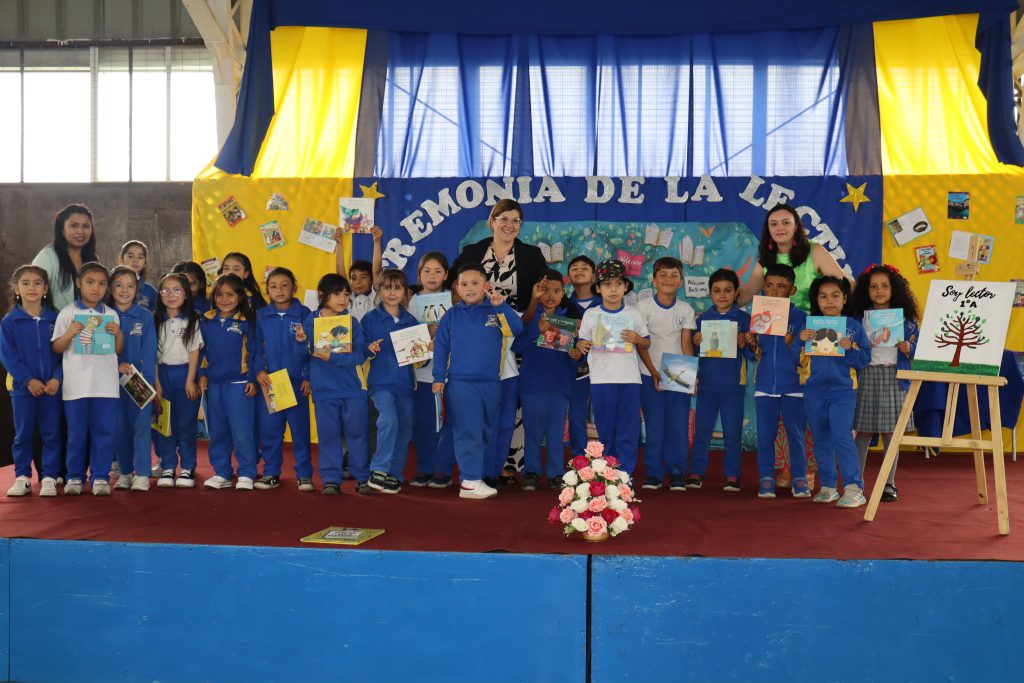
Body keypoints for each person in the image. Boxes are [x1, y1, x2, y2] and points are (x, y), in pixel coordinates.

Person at [432, 263, 523, 499]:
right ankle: (470, 481)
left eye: (475, 283)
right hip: (461, 384)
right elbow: (441, 347)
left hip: (491, 383)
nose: (470, 288)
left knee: (484, 431)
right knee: (468, 430)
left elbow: (516, 329)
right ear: (457, 288)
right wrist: (438, 377)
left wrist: (501, 306)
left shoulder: (496, 310)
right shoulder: (451, 315)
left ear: (486, 286)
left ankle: (475, 476)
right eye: (464, 284)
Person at [51, 262, 123, 496]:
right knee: (76, 434)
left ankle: (100, 477)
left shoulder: (111, 314)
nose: (96, 288)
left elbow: (118, 350)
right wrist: (70, 333)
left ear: (107, 287)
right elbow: (56, 348)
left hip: (106, 386)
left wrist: (118, 334)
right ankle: (74, 476)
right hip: (76, 387)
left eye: (101, 284)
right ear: (79, 283)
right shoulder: (68, 313)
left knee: (104, 433)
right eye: (90, 282)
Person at [850, 264, 920, 503]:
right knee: (863, 431)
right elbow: (849, 348)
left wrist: (909, 348)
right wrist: (860, 345)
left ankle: (889, 483)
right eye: (873, 286)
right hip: (867, 376)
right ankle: (856, 482)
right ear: (865, 290)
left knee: (892, 433)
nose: (879, 291)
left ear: (894, 289)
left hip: (894, 377)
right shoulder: (859, 320)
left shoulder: (906, 322)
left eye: (884, 286)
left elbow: (919, 349)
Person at [799, 276, 871, 508]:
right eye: (823, 297)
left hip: (843, 391)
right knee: (820, 439)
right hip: (814, 391)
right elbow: (795, 361)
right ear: (817, 301)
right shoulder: (809, 327)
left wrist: (849, 349)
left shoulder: (853, 327)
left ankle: (854, 488)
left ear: (845, 299)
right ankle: (828, 487)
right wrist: (799, 342)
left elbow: (864, 359)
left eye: (835, 296)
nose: (829, 301)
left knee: (842, 436)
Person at [575, 259, 650, 475]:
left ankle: (624, 476)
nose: (613, 289)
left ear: (626, 287)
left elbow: (646, 342)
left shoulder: (633, 313)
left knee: (628, 430)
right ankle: (609, 474)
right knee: (606, 430)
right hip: (601, 380)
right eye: (607, 284)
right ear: (598, 288)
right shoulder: (591, 314)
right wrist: (582, 345)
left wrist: (637, 338)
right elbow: (581, 342)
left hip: (629, 380)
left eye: (618, 283)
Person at [299, 274, 369, 495]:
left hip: (352, 389)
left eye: (346, 294)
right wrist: (301, 343)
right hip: (324, 390)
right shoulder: (309, 321)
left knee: (357, 434)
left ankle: (362, 477)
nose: (343, 298)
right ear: (322, 295)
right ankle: (331, 478)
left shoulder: (352, 322)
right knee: (328, 435)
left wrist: (332, 358)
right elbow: (303, 356)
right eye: (337, 293)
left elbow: (359, 356)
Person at [743, 263, 809, 499]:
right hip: (765, 385)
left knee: (796, 435)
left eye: (781, 286)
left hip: (793, 386)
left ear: (792, 290)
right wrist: (752, 344)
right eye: (769, 285)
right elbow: (754, 354)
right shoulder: (758, 314)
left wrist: (795, 343)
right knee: (765, 436)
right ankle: (766, 479)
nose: (773, 291)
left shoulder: (801, 318)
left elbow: (807, 356)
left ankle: (799, 478)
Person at [514, 269, 583, 491]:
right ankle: (531, 471)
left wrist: (576, 355)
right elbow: (517, 347)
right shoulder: (529, 318)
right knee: (532, 433)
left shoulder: (569, 322)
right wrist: (536, 329)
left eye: (557, 291)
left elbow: (576, 355)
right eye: (546, 290)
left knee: (555, 433)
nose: (551, 295)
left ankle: (556, 473)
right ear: (537, 291)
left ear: (563, 294)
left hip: (560, 386)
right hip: (532, 386)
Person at [0, 265, 63, 497]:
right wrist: (28, 380)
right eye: (25, 283)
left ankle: (49, 477)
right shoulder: (10, 322)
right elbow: (8, 356)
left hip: (51, 389)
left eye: (37, 283)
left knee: (51, 433)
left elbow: (64, 353)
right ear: (16, 289)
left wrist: (57, 378)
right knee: (23, 434)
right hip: (22, 389)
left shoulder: (56, 318)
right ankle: (22, 477)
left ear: (45, 289)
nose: (31, 288)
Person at [636, 256, 696, 491]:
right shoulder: (643, 307)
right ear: (654, 280)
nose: (668, 279)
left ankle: (677, 471)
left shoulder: (686, 309)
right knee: (654, 424)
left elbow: (686, 344)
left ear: (681, 281)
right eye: (663, 275)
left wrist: (692, 375)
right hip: (648, 372)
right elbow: (641, 344)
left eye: (674, 275)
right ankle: (654, 472)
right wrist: (653, 372)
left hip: (678, 372)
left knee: (678, 425)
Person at [689, 269, 750, 491]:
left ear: (736, 292)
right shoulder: (703, 319)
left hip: (733, 386)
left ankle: (732, 475)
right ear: (710, 293)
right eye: (717, 291)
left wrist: (744, 344)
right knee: (702, 431)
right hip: (707, 385)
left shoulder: (744, 319)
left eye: (727, 290)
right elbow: (694, 353)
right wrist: (696, 342)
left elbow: (754, 353)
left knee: (732, 432)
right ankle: (695, 472)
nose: (722, 295)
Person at [197, 274, 259, 491]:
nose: (224, 299)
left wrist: (252, 379)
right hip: (214, 385)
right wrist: (202, 374)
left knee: (242, 431)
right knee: (217, 431)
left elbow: (254, 353)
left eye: (230, 294)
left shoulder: (246, 322)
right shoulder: (206, 320)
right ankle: (222, 472)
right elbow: (201, 350)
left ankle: (247, 472)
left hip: (239, 385)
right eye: (220, 294)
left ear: (240, 297)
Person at [253, 267, 312, 490]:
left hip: (296, 382)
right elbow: (256, 347)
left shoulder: (304, 314)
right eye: (273, 286)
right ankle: (271, 472)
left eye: (284, 285)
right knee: (271, 431)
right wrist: (259, 371)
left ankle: (304, 474)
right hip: (272, 382)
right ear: (267, 290)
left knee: (300, 431)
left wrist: (308, 376)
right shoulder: (262, 316)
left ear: (294, 288)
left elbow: (312, 347)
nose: (279, 290)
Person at [362, 269, 419, 494]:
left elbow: (419, 362)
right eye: (387, 288)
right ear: (379, 291)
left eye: (397, 288)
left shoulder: (411, 321)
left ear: (405, 292)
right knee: (388, 421)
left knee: (404, 430)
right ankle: (379, 469)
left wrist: (425, 350)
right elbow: (360, 351)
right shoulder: (370, 319)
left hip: (405, 384)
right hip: (380, 383)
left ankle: (394, 475)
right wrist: (369, 348)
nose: (392, 293)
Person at [106, 266, 157, 491]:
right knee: (120, 428)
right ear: (110, 288)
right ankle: (125, 472)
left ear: (137, 289)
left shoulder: (145, 316)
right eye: (119, 285)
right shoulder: (105, 315)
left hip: (139, 383)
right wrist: (117, 364)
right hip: (111, 383)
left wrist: (147, 383)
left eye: (130, 286)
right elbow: (101, 350)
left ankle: (142, 474)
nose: (124, 290)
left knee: (141, 428)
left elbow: (150, 351)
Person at [448, 199, 547, 314]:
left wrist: (566, 316)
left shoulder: (533, 254)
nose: (509, 225)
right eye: (504, 219)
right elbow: (449, 281)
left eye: (515, 221)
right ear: (492, 222)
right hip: (476, 317)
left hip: (518, 320)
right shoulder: (471, 252)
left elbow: (548, 285)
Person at [153, 273, 204, 488]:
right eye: (165, 290)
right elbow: (152, 355)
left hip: (185, 374)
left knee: (185, 423)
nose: (170, 294)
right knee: (164, 423)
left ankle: (187, 466)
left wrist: (191, 380)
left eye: (176, 290)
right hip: (162, 374)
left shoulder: (192, 319)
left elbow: (194, 351)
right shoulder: (154, 319)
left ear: (186, 294)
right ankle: (168, 464)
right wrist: (156, 383)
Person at [407, 252, 454, 488]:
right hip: (423, 374)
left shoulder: (454, 300)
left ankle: (443, 470)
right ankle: (425, 468)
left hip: (450, 373)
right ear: (419, 275)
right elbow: (407, 338)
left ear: (446, 274)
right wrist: (426, 334)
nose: (432, 276)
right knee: (424, 423)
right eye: (427, 271)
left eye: (437, 271)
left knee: (448, 422)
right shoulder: (412, 302)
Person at [32, 204, 98, 312]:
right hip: (52, 320)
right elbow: (32, 293)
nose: (80, 231)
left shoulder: (92, 259)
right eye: (74, 226)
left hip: (87, 321)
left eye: (86, 226)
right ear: (62, 229)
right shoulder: (47, 257)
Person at [567, 255, 598, 456]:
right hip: (576, 369)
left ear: (594, 276)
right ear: (568, 276)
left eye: (584, 268)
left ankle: (608, 460)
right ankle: (579, 458)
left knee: (605, 413)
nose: (579, 270)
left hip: (605, 367)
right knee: (576, 414)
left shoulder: (607, 302)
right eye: (574, 268)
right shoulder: (563, 306)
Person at [335, 225, 383, 321]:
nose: (358, 282)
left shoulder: (376, 298)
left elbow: (377, 270)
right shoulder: (348, 300)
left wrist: (377, 242)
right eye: (353, 278)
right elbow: (340, 271)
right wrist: (339, 244)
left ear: (372, 280)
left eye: (363, 277)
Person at [119, 240, 158, 311]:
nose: (135, 260)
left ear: (145, 263)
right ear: (122, 260)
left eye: (140, 257)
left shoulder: (151, 292)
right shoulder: (111, 288)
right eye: (130, 256)